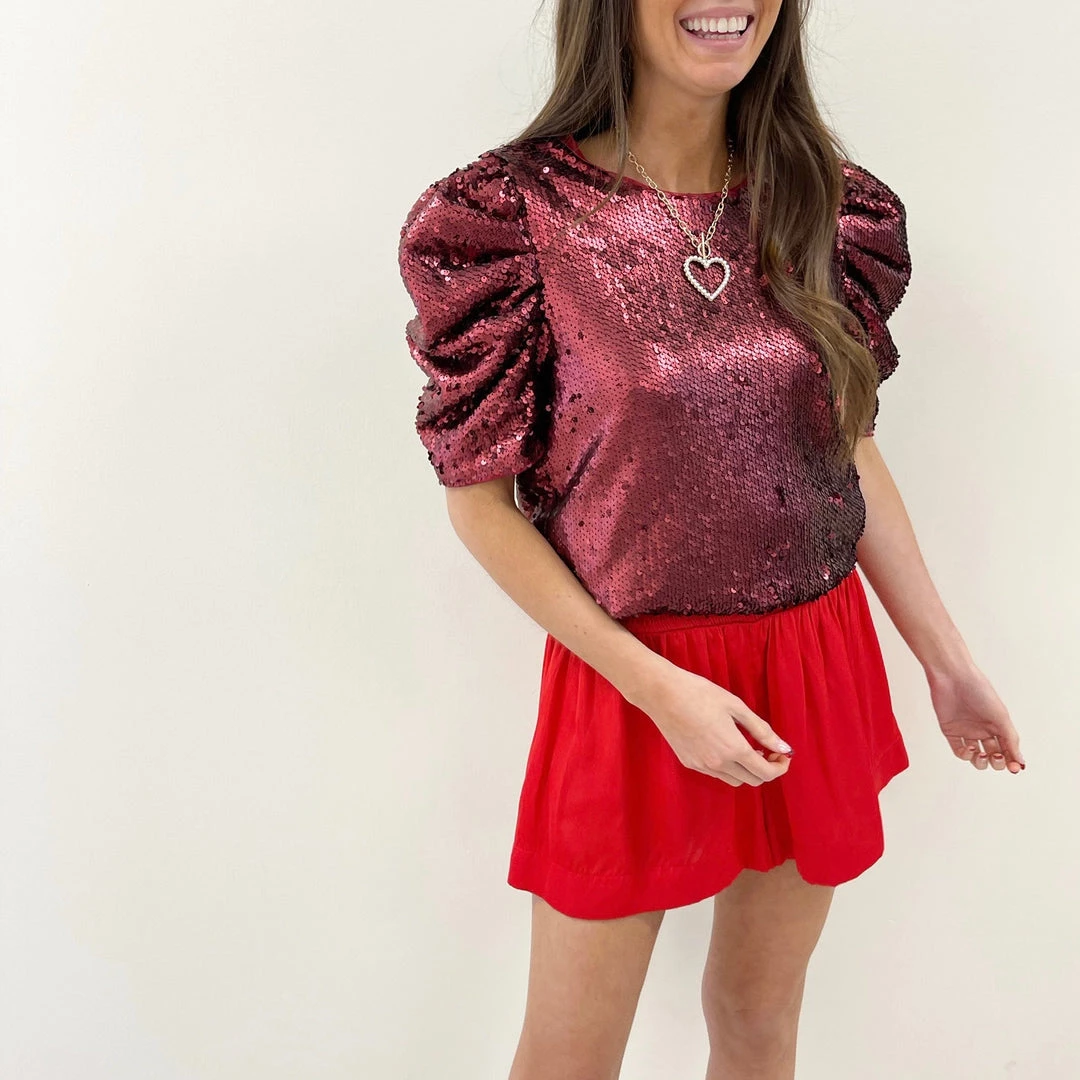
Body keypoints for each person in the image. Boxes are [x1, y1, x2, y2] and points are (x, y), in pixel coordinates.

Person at [397, 1, 1026, 1077]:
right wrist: (657, 690)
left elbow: (845, 450)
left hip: (812, 659)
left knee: (756, 1015)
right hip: (632, 678)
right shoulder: (512, 216)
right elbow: (479, 505)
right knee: (568, 1057)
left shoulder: (824, 200)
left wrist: (947, 661)